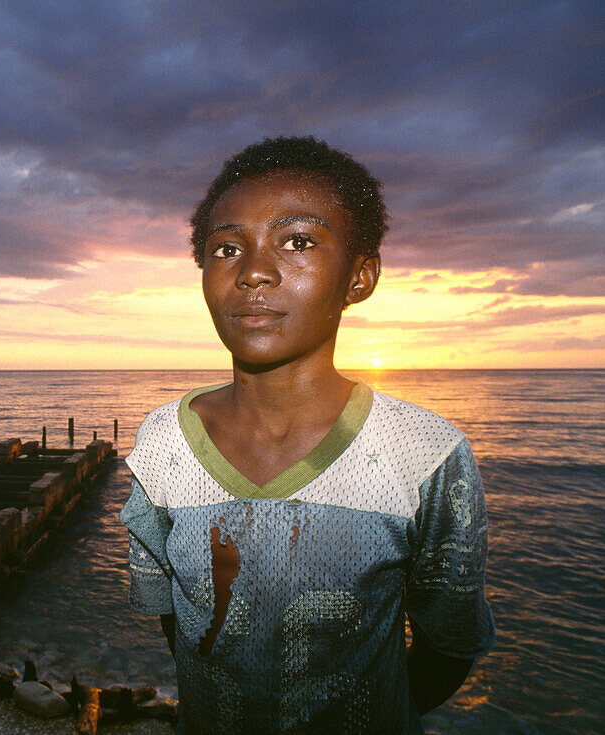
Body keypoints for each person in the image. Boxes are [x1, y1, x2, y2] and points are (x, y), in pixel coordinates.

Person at [119, 137, 494, 734]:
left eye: (298, 241)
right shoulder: (165, 442)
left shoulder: (423, 453)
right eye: (226, 248)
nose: (254, 272)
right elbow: (184, 631)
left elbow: (447, 649)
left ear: (360, 276)